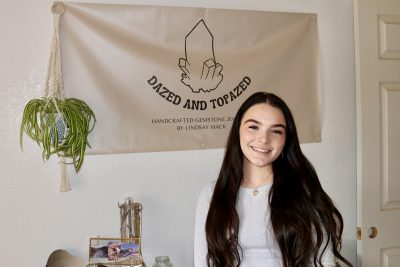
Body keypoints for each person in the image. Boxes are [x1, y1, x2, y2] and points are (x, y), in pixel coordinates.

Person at [194, 92, 352, 267]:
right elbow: (203, 261)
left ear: (285, 140)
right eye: (253, 127)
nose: (264, 139)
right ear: (238, 130)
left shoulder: (304, 191)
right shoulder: (211, 194)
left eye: (276, 131)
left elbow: (324, 261)